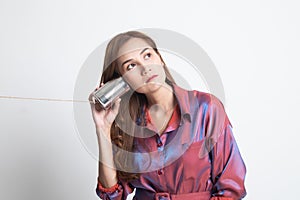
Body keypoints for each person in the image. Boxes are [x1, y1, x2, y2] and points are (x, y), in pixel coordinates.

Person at [89, 31, 246, 200]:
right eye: (131, 66)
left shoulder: (206, 108)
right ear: (122, 82)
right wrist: (103, 129)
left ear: (160, 59)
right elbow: (112, 196)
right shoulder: (129, 126)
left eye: (147, 55)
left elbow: (232, 189)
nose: (145, 68)